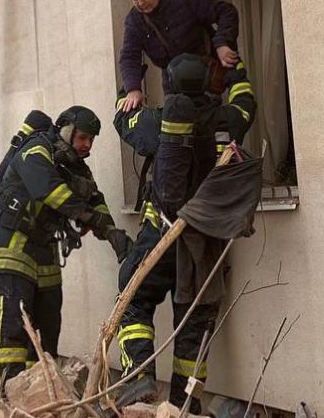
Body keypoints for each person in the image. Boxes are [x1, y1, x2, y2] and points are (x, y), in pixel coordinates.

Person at [113, 55, 257, 413]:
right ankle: (185, 405)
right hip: (207, 244)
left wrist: (129, 86)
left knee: (133, 302)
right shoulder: (227, 119)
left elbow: (124, 119)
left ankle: (139, 377)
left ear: (171, 86)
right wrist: (236, 71)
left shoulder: (159, 121)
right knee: (194, 325)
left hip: (162, 235)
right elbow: (246, 104)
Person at [0, 107, 133, 394]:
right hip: (13, 242)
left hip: (45, 248)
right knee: (15, 320)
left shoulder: (76, 166)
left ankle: (37, 391)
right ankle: (5, 392)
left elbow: (94, 198)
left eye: (92, 140)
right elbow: (49, 190)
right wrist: (92, 219)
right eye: (83, 137)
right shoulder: (36, 150)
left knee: (48, 325)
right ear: (65, 130)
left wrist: (111, 231)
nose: (87, 145)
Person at [118, 0, 242, 112]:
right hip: (172, 80)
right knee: (176, 120)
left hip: (205, 70)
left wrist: (222, 43)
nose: (140, 2)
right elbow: (129, 56)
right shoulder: (134, 20)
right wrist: (133, 89)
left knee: (210, 116)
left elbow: (226, 11)